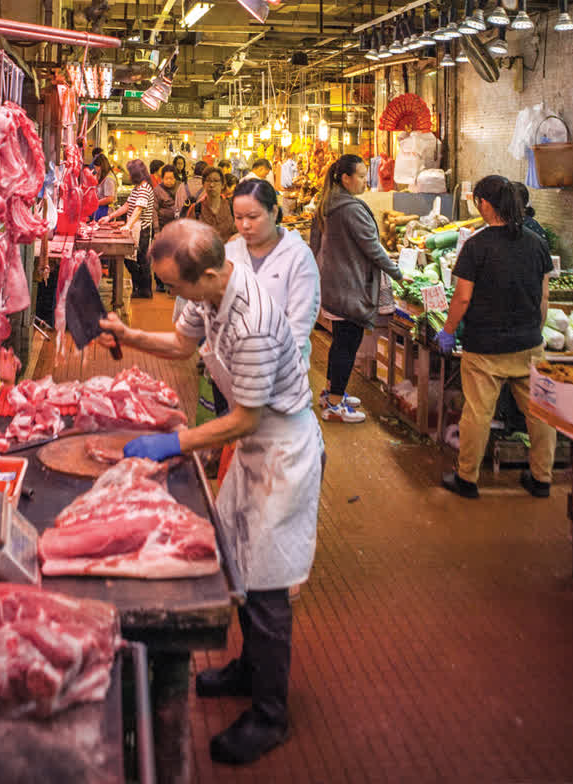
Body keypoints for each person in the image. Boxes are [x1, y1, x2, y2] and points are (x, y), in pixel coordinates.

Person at [102, 221, 322, 766]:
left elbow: (243, 420)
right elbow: (182, 343)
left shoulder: (254, 321)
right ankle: (248, 668)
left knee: (268, 584)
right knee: (237, 560)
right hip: (252, 448)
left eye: (177, 287)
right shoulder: (210, 289)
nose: (175, 297)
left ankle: (270, 715)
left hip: (280, 449)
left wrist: (174, 441)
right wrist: (129, 336)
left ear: (207, 273)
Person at [437, 174, 557, 500]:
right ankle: (542, 479)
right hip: (528, 344)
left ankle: (467, 479)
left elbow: (461, 298)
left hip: (485, 347)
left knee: (477, 413)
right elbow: (544, 297)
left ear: (485, 204)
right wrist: (534, 331)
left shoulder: (476, 246)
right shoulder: (537, 244)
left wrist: (448, 331)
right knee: (540, 413)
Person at [310, 153, 402, 423]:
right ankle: (335, 405)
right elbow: (373, 248)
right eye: (361, 176)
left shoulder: (328, 203)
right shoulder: (350, 208)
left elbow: (315, 246)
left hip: (335, 285)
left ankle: (330, 392)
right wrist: (397, 273)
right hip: (350, 288)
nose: (366, 181)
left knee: (340, 342)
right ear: (345, 178)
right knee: (346, 345)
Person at [228, 177, 320, 370]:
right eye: (238, 217)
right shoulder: (232, 251)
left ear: (274, 212)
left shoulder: (298, 255)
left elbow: (301, 320)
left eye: (253, 217)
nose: (245, 225)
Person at [108, 157, 158, 299]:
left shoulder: (144, 188)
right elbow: (128, 206)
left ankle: (145, 290)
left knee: (141, 260)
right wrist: (110, 217)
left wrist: (128, 225)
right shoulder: (137, 188)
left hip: (142, 229)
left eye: (130, 173)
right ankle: (138, 288)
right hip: (134, 227)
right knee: (131, 259)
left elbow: (138, 209)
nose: (128, 176)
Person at [185, 166, 236, 243]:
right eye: (208, 180)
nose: (211, 185)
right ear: (203, 184)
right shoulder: (196, 209)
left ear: (222, 184)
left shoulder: (232, 207)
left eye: (216, 181)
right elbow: (188, 236)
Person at [153, 163, 180, 231]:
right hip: (163, 226)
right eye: (166, 178)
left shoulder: (181, 187)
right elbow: (154, 210)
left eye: (171, 178)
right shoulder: (157, 190)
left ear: (175, 178)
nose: (169, 181)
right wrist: (156, 230)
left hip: (178, 226)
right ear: (162, 178)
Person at [93, 153, 117, 220]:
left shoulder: (109, 179)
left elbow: (110, 198)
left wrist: (95, 203)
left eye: (96, 167)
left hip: (107, 212)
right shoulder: (102, 176)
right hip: (100, 209)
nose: (95, 170)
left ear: (101, 166)